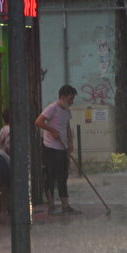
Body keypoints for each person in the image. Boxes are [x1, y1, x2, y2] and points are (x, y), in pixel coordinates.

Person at [35, 84, 80, 214]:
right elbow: (38, 121)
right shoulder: (52, 108)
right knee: (51, 175)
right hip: (50, 147)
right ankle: (51, 205)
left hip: (62, 148)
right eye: (70, 99)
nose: (72, 102)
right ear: (63, 97)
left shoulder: (67, 111)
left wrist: (70, 144)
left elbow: (67, 127)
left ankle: (65, 205)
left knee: (63, 176)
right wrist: (52, 130)